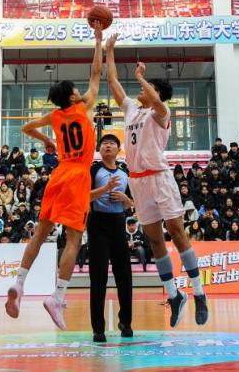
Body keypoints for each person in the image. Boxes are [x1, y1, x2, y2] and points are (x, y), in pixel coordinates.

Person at [106, 34, 209, 327]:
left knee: (176, 231)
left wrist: (142, 76)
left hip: (160, 178)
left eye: (146, 87)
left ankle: (199, 292)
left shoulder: (162, 112)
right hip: (138, 181)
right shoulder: (132, 109)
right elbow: (113, 82)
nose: (140, 89)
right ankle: (174, 295)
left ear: (157, 93)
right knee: (154, 240)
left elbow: (153, 99)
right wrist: (109, 51)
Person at [6, 24, 103, 331]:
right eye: (75, 88)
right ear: (72, 95)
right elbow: (96, 73)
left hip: (58, 174)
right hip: (77, 176)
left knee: (40, 233)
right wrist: (98, 40)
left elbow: (25, 128)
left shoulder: (56, 116)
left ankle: (19, 283)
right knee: (73, 240)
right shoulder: (83, 107)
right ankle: (57, 297)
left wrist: (46, 140)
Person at [87, 134, 135, 343]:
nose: (108, 146)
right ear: (99, 149)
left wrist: (126, 200)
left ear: (118, 149)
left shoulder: (125, 172)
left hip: (118, 224)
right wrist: (105, 189)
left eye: (112, 144)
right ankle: (98, 328)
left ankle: (126, 322)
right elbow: (84, 197)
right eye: (104, 143)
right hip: (98, 224)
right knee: (98, 278)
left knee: (124, 276)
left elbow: (133, 202)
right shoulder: (93, 170)